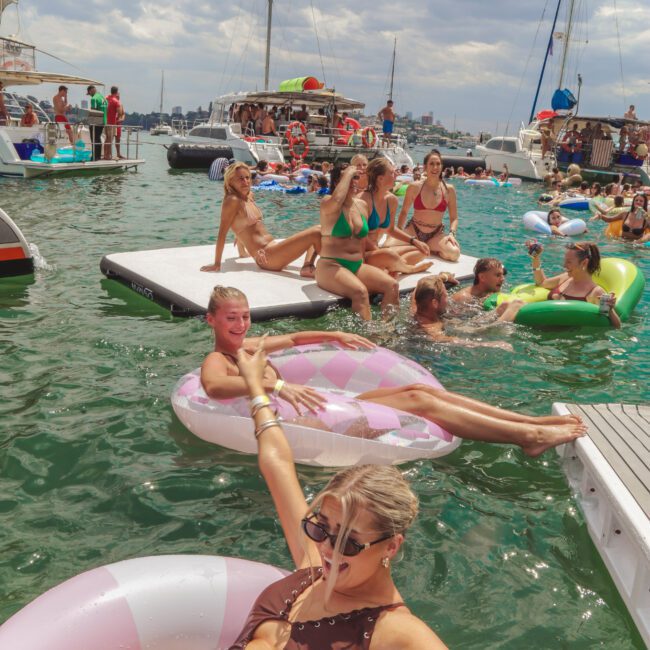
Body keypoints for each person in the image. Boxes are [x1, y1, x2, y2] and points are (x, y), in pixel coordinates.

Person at [200, 162, 321, 276]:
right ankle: (331, 265)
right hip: (267, 257)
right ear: (230, 181)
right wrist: (217, 263)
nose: (246, 181)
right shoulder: (232, 200)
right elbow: (222, 233)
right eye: (240, 178)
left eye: (247, 177)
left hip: (274, 248)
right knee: (316, 232)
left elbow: (243, 225)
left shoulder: (249, 196)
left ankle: (307, 265)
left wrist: (241, 250)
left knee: (320, 231)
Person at [315, 165, 399, 320]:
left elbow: (362, 241)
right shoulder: (328, 203)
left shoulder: (362, 205)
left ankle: (388, 331)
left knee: (392, 286)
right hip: (330, 266)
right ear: (336, 183)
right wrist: (348, 173)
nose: (353, 180)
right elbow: (337, 199)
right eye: (348, 177)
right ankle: (366, 339)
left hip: (357, 266)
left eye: (355, 177)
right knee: (360, 292)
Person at [361, 157, 431, 275]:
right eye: (392, 173)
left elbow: (391, 229)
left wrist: (414, 241)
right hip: (363, 254)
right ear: (380, 178)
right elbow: (359, 237)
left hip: (378, 252)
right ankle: (406, 268)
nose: (396, 175)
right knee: (389, 255)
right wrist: (380, 252)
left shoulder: (391, 200)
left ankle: (394, 266)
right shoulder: (363, 200)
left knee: (423, 250)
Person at [530, 242, 621, 327]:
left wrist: (610, 309)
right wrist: (535, 257)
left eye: (569, 262)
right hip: (543, 326)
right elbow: (541, 283)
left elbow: (615, 326)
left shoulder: (596, 292)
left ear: (584, 263)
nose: (564, 265)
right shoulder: (565, 278)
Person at [413, 275, 517, 349]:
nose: (448, 299)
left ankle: (498, 311)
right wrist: (490, 344)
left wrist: (443, 277)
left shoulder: (417, 305)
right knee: (475, 330)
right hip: (438, 346)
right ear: (434, 303)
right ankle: (500, 317)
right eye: (445, 296)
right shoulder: (430, 327)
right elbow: (449, 340)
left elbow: (418, 287)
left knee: (465, 325)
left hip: (448, 323)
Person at [394, 150, 460, 261]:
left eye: (438, 164)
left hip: (436, 234)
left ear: (442, 166)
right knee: (388, 246)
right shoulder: (414, 187)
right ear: (425, 167)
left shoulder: (449, 190)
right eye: (432, 164)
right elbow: (404, 212)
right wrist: (400, 231)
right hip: (414, 231)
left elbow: (454, 218)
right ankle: (421, 246)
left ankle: (427, 247)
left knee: (454, 253)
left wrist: (452, 234)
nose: (435, 167)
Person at [87, 85, 107, 161]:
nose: (90, 95)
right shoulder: (103, 98)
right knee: (98, 138)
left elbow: (93, 111)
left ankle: (95, 157)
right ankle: (98, 156)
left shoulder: (94, 99)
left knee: (94, 139)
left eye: (89, 93)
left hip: (96, 122)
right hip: (103, 121)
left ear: (91, 91)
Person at [104, 86, 120, 160]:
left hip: (106, 122)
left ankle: (105, 155)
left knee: (107, 139)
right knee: (110, 140)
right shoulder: (116, 101)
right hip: (112, 123)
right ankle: (108, 156)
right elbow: (119, 112)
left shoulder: (106, 98)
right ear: (116, 92)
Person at [114, 92, 126, 159]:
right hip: (112, 123)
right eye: (116, 96)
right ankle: (108, 153)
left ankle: (118, 154)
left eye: (118, 96)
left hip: (118, 124)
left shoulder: (120, 104)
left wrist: (122, 119)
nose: (118, 97)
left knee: (118, 139)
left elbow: (123, 113)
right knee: (110, 139)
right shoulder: (112, 103)